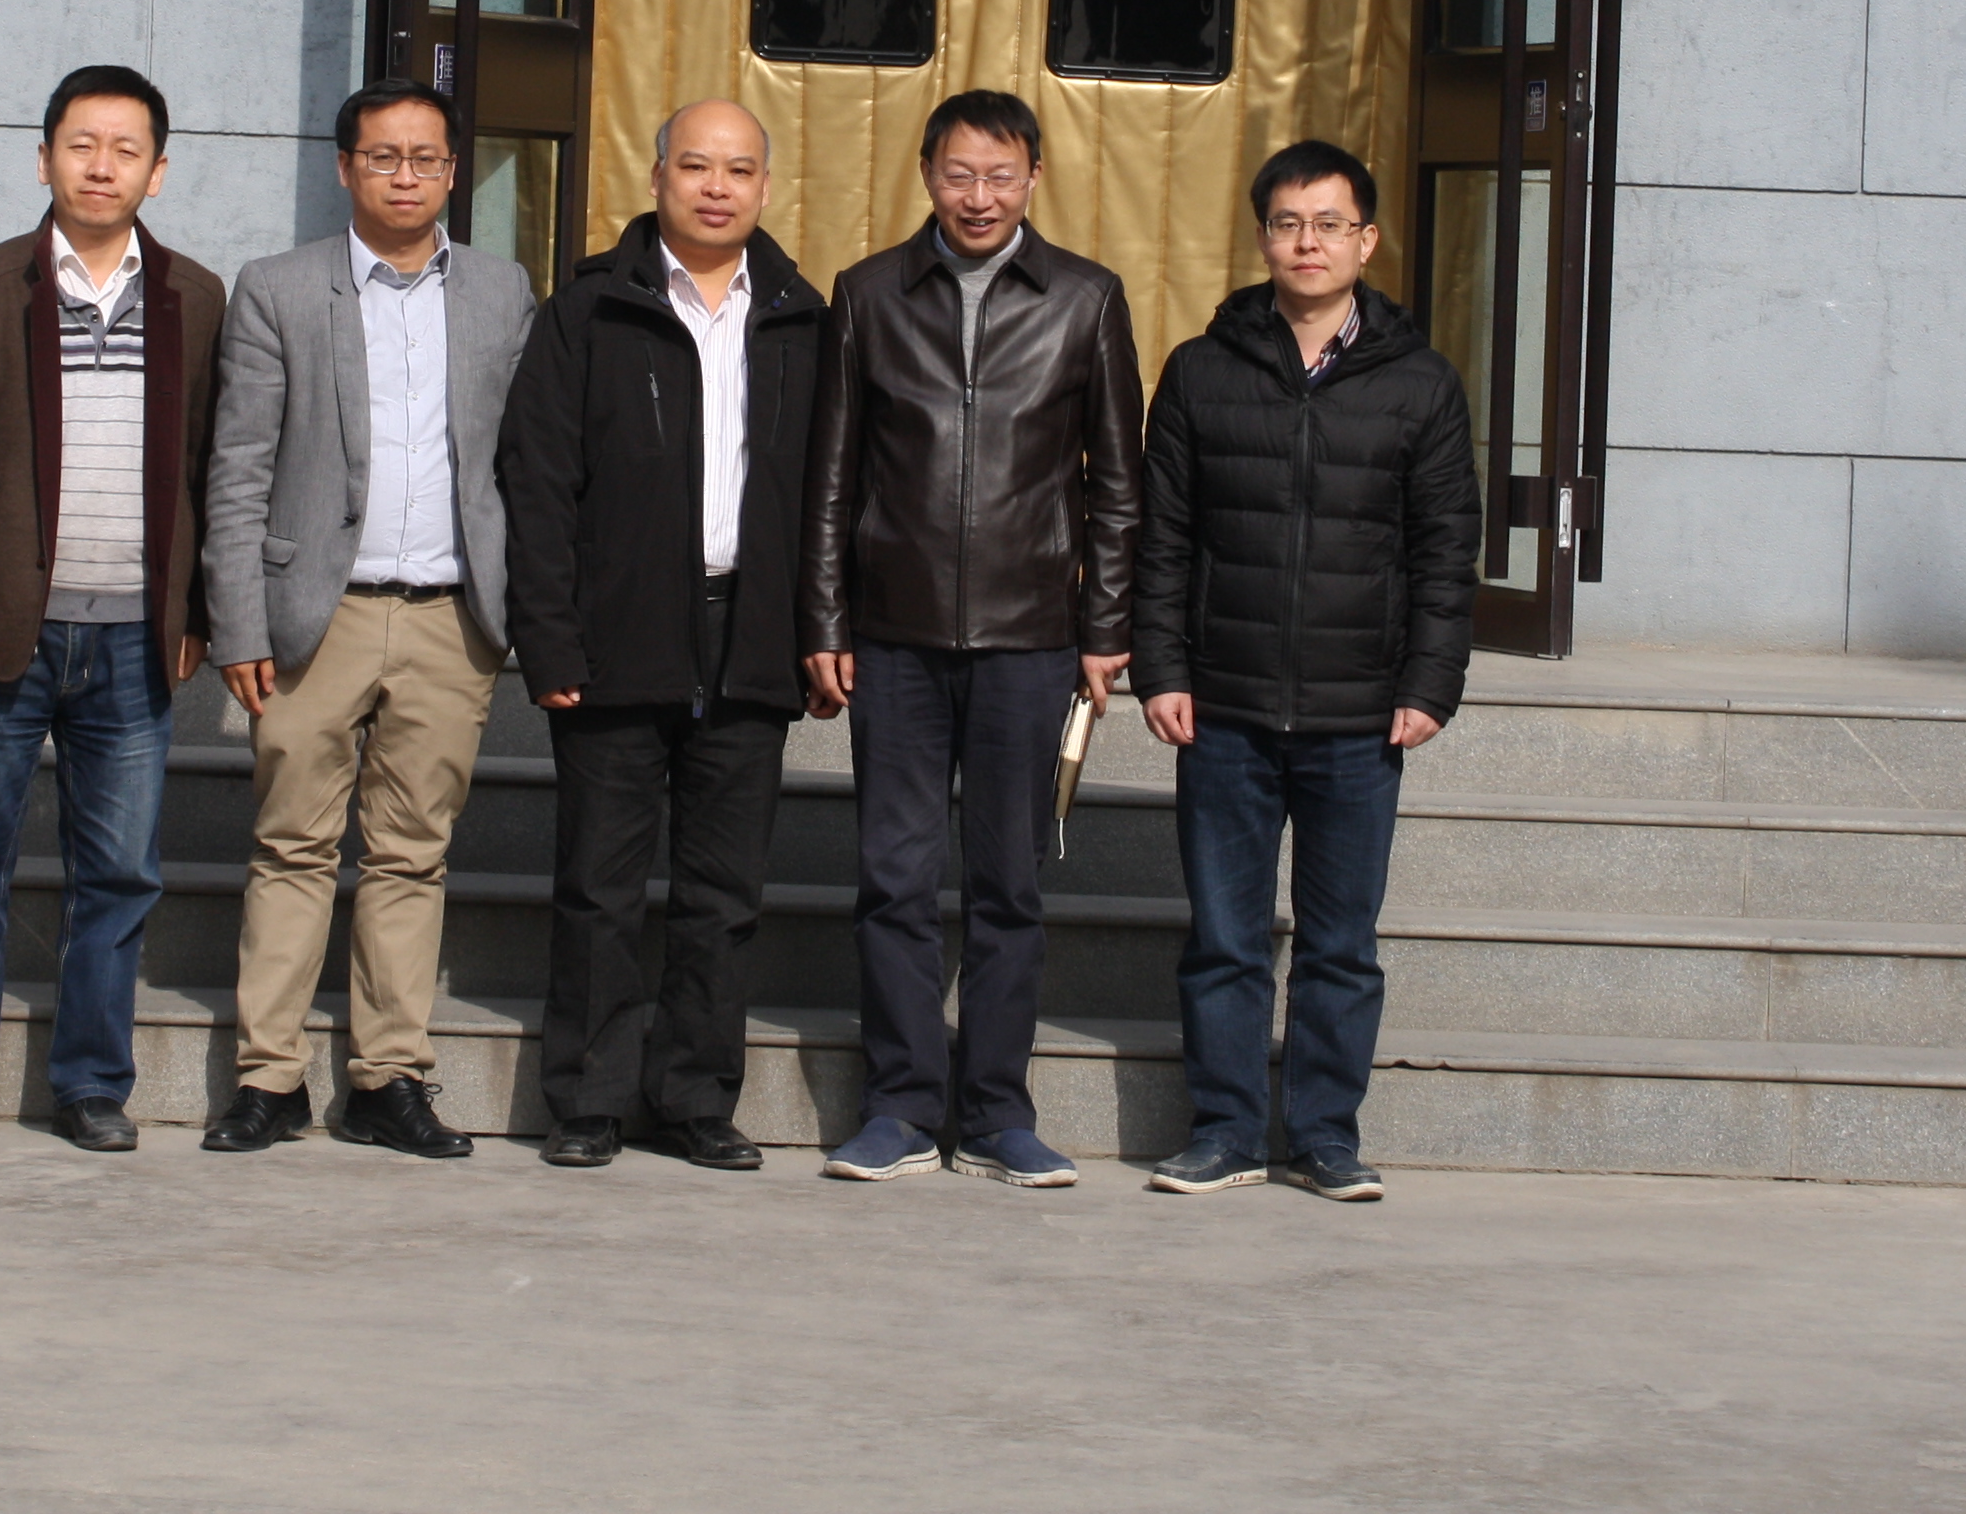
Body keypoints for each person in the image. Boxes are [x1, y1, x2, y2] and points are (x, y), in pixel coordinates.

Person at [800, 88, 1142, 1188]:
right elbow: (830, 475)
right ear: (926, 175)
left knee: (1008, 886)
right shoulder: (868, 294)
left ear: (1034, 176)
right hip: (893, 639)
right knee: (893, 879)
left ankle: (997, 1114)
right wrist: (826, 617)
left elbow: (1117, 485)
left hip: (1031, 640)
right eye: (959, 174)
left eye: (1000, 175)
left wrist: (1104, 627)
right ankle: (900, 1106)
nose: (979, 196)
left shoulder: (1086, 298)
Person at [1129, 139, 1476, 1203]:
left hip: (1359, 715)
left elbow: (1445, 551)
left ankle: (1326, 1136)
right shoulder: (1202, 371)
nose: (1308, 243)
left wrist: (1428, 684)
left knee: (1339, 945)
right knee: (1225, 941)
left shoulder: (1421, 384)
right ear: (1263, 238)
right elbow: (1163, 536)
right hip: (1224, 708)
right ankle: (1226, 1130)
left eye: (1329, 224)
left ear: (1367, 240)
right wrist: (1161, 667)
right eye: (1288, 223)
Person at [198, 79, 536, 1157]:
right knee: (292, 846)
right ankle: (269, 1078)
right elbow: (238, 467)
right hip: (316, 614)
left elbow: (521, 463)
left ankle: (390, 1076)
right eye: (383, 157)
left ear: (453, 172)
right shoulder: (278, 288)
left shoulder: (501, 291)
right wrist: (240, 623)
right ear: (345, 167)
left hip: (449, 618)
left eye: (426, 158)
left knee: (409, 855)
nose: (405, 176)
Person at [0, 66, 223, 1152]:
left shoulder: (194, 296)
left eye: (126, 149)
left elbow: (207, 467)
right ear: (44, 159)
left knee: (119, 875)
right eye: (82, 145)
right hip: (3, 629)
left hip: (135, 635)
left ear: (157, 173)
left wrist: (196, 611)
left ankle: (90, 1085)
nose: (101, 166)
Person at [499, 100, 827, 1172]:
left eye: (738, 170)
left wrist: (822, 632)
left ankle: (695, 1098)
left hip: (751, 635)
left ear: (766, 187)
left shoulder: (803, 319)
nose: (716, 188)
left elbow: (834, 493)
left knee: (723, 893)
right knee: (599, 885)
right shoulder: (590, 310)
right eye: (695, 166)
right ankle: (589, 1099)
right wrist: (549, 639)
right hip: (618, 634)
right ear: (657, 179)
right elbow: (537, 482)